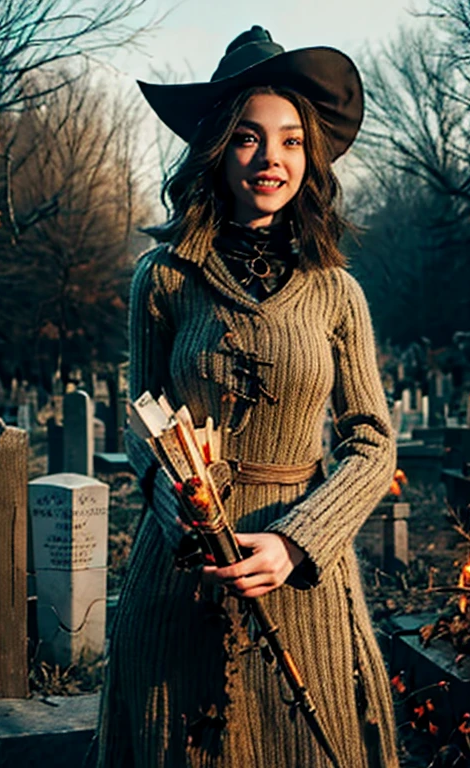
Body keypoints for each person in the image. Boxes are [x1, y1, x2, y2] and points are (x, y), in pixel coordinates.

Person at [95, 25, 399, 768]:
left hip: (302, 579)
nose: (272, 159)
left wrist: (298, 541)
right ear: (217, 150)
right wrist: (163, 489)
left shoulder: (336, 291)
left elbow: (371, 440)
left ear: (311, 158)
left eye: (292, 141)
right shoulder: (164, 277)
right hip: (179, 572)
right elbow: (142, 413)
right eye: (249, 138)